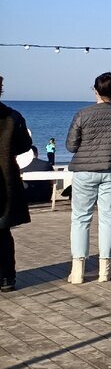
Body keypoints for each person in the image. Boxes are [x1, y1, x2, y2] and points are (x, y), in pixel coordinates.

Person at [65, 71, 111, 284]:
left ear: (95, 90)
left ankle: (78, 271)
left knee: (81, 218)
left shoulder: (83, 114)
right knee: (108, 218)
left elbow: (71, 145)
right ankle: (105, 269)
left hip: (84, 171)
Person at [1, 75, 33, 293]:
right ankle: (6, 278)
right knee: (3, 232)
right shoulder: (13, 117)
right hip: (6, 178)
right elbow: (25, 146)